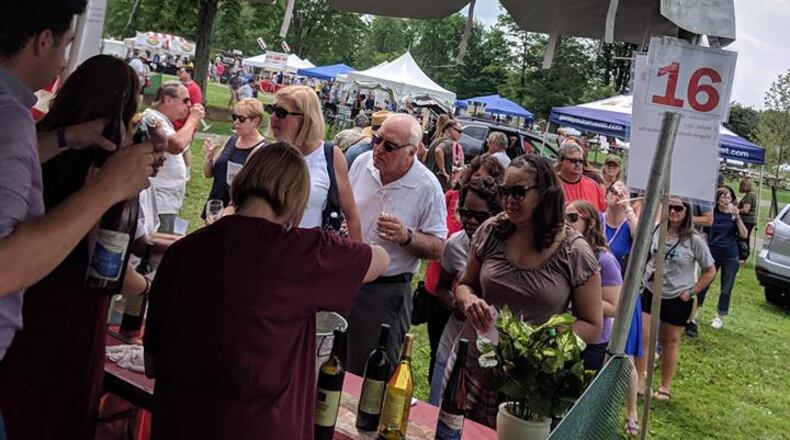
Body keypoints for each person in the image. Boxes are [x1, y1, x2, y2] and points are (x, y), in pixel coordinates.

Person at [144, 142, 389, 440]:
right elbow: (380, 259)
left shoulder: (182, 253)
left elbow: (152, 363)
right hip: (258, 426)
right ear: (296, 198)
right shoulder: (304, 253)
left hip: (179, 423)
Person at [0, 54, 159, 439]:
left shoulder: (31, 142)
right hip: (66, 321)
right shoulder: (106, 174)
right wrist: (148, 283)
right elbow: (105, 266)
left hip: (20, 315)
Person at [453, 155, 603, 427]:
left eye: (518, 192)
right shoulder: (492, 230)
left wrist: (540, 343)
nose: (508, 199)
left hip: (529, 386)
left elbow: (593, 325)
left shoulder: (574, 251)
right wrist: (470, 301)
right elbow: (465, 285)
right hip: (474, 365)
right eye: (504, 191)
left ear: (546, 194)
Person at [346, 114, 448, 374]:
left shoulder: (427, 186)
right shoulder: (361, 163)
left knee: (371, 371)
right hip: (345, 278)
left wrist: (407, 236)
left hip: (384, 293)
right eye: (377, 140)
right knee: (332, 357)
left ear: (411, 152)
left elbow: (438, 247)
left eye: (389, 146)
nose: (378, 149)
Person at [428, 177, 503, 404]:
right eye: (465, 213)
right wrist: (456, 303)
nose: (470, 222)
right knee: (438, 406)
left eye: (479, 217)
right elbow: (442, 288)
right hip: (455, 337)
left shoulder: (504, 247)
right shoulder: (455, 244)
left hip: (491, 348)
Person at [635, 198, 716, 403]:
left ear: (687, 211)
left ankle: (664, 386)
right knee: (644, 335)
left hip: (677, 296)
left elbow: (710, 270)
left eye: (678, 208)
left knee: (669, 341)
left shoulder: (694, 240)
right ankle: (640, 381)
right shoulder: (656, 230)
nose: (673, 212)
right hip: (650, 290)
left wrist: (692, 291)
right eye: (670, 207)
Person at [268, 85, 362, 241]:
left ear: (305, 119)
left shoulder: (330, 155)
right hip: (266, 249)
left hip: (307, 256)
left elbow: (351, 215)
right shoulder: (266, 153)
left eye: (281, 112)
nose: (272, 117)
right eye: (271, 109)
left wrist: (358, 259)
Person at [565, 201, 622, 371]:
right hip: (564, 333)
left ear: (590, 223)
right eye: (563, 217)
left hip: (592, 343)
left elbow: (614, 307)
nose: (566, 223)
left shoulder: (605, 260)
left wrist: (579, 300)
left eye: (573, 218)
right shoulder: (562, 253)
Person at [145, 81, 205, 233]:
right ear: (168, 100)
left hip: (167, 202)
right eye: (185, 100)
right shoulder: (151, 118)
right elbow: (175, 145)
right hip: (158, 202)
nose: (189, 105)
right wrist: (193, 119)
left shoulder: (165, 122)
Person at [202, 98, 266, 221]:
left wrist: (230, 209)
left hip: (238, 212)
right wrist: (208, 158)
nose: (236, 122)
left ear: (255, 121)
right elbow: (208, 174)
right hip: (215, 204)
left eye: (241, 119)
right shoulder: (231, 140)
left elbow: (253, 189)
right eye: (234, 117)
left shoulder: (262, 149)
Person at [696, 187, 748, 329]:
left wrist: (737, 217)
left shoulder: (733, 216)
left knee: (726, 287)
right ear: (717, 199)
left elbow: (744, 234)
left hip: (730, 255)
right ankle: (695, 311)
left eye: (729, 197)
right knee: (704, 283)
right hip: (713, 253)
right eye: (723, 197)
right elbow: (705, 234)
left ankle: (719, 316)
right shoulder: (712, 214)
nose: (726, 200)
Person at [602, 180, 639, 274]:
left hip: (618, 282)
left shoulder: (630, 224)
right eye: (613, 190)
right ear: (606, 196)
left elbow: (640, 238)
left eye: (623, 193)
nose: (618, 194)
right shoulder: (595, 219)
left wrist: (627, 207)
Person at [556, 141, 605, 211]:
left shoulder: (593, 185)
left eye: (581, 161)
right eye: (573, 160)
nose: (577, 164)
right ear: (561, 161)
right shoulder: (552, 184)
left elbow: (602, 212)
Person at [425, 119, 463, 191]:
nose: (461, 134)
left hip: (430, 180)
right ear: (450, 130)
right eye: (459, 131)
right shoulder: (449, 142)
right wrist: (443, 170)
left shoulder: (436, 141)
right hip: (440, 184)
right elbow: (438, 150)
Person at [174, 66, 203, 130]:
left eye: (181, 72)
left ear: (189, 73)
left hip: (183, 126)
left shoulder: (195, 89)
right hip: (172, 123)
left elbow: (196, 108)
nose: (179, 73)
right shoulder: (177, 86)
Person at [738, 178, 758, 246]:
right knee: (746, 237)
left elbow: (746, 210)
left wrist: (737, 210)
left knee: (744, 237)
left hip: (747, 220)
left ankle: (743, 251)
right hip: (751, 220)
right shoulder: (753, 194)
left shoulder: (749, 196)